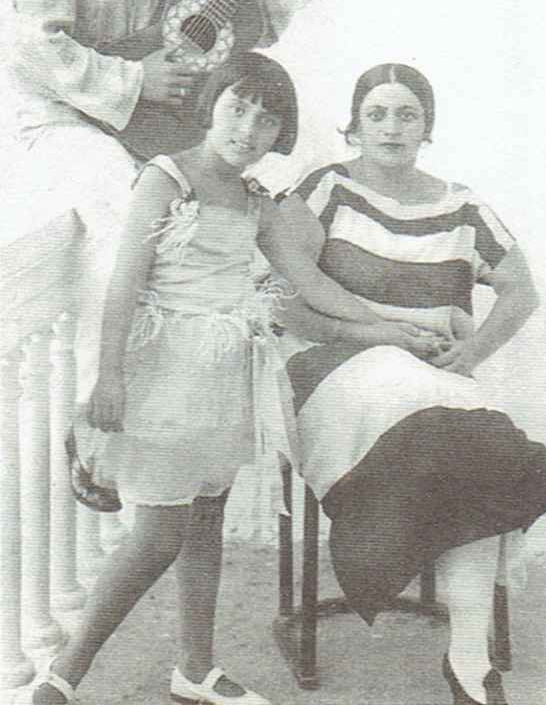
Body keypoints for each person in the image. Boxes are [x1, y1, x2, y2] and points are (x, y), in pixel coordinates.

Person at [26, 53, 390, 705]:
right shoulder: (166, 178)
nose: (248, 129)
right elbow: (123, 284)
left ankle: (195, 667)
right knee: (157, 535)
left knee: (204, 520)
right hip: (164, 379)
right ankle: (64, 672)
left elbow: (310, 283)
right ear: (210, 105)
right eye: (237, 108)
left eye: (266, 119)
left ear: (280, 133)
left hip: (222, 381)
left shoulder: (255, 201)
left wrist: (390, 326)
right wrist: (109, 376)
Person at [9, 0, 336, 394]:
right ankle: (99, 396)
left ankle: (196, 380)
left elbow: (248, 29)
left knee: (241, 206)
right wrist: (135, 79)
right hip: (63, 122)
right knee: (129, 210)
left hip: (156, 128)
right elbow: (34, 50)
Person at [277, 62, 546, 705]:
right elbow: (284, 301)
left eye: (407, 114)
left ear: (427, 126)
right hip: (333, 374)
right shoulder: (326, 189)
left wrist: (471, 352)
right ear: (356, 125)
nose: (392, 127)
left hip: (434, 388)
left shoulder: (462, 207)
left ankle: (469, 664)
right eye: (377, 114)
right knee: (444, 412)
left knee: (464, 443)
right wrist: (383, 334)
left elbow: (520, 291)